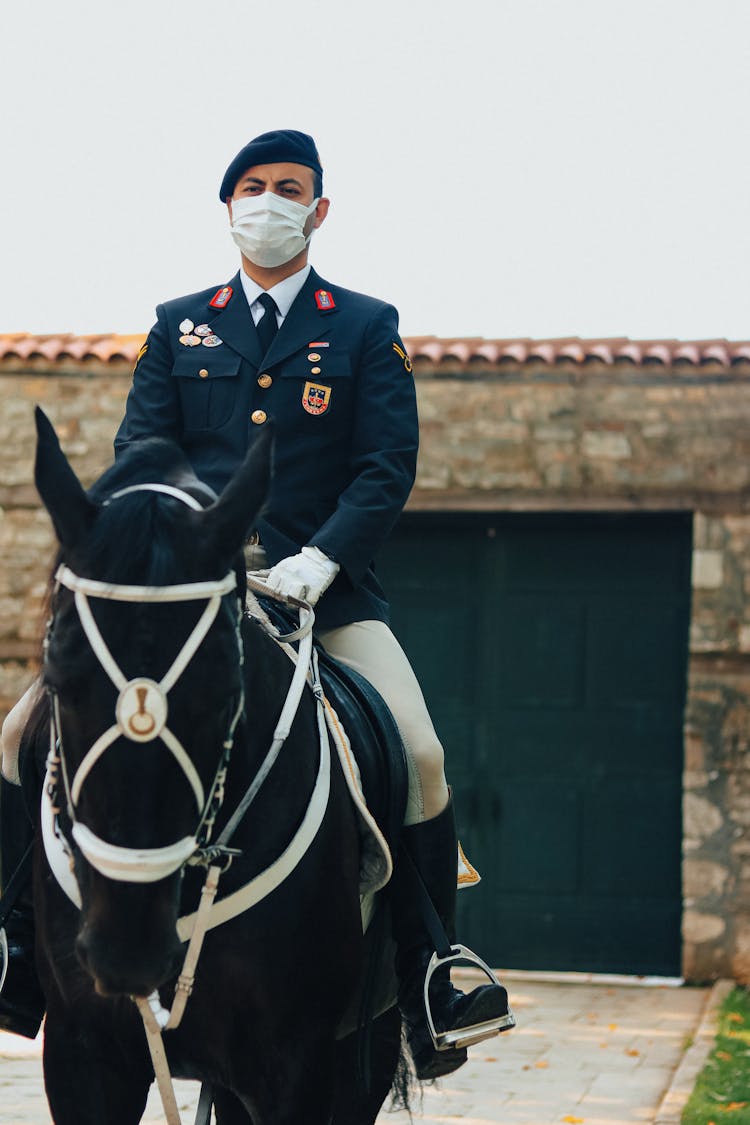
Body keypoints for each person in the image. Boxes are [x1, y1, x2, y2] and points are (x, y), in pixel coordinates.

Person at [0, 130, 512, 1077]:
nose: (268, 202)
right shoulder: (178, 324)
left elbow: (385, 465)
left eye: (289, 189)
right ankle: (18, 948)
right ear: (227, 204)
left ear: (319, 211)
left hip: (328, 594)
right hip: (198, 596)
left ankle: (435, 965)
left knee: (423, 753)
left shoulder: (361, 325)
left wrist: (323, 558)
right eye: (252, 187)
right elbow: (142, 454)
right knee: (20, 730)